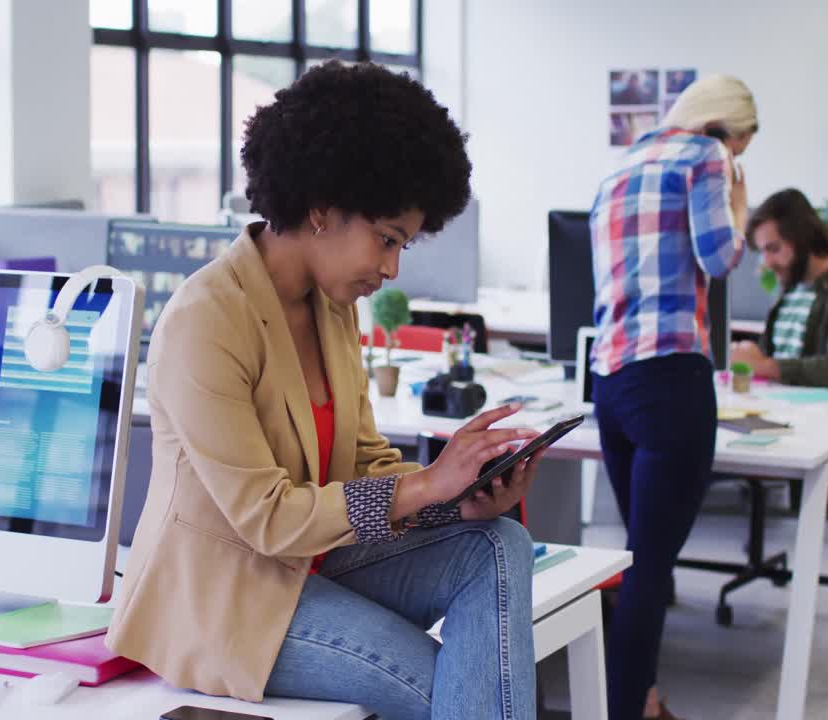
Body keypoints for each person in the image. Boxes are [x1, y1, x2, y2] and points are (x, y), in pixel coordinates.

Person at [105, 61, 550, 720]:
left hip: (318, 563)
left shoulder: (332, 305)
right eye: (387, 239)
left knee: (497, 546)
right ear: (322, 208)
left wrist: (457, 497)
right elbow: (267, 518)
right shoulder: (207, 319)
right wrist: (425, 485)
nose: (393, 267)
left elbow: (365, 466)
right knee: (460, 689)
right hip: (228, 599)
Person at [588, 74, 756, 720]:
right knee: (650, 569)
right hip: (670, 382)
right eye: (741, 147)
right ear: (724, 129)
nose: (737, 161)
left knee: (641, 557)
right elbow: (717, 258)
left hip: (612, 384)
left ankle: (645, 697)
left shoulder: (621, 167)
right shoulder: (706, 157)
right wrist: (738, 208)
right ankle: (627, 709)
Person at [730, 188, 828, 388]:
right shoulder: (791, 287)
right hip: (779, 406)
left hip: (825, 414)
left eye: (774, 249)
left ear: (802, 238)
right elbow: (777, 356)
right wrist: (751, 354)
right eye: (763, 252)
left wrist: (763, 365)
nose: (767, 262)